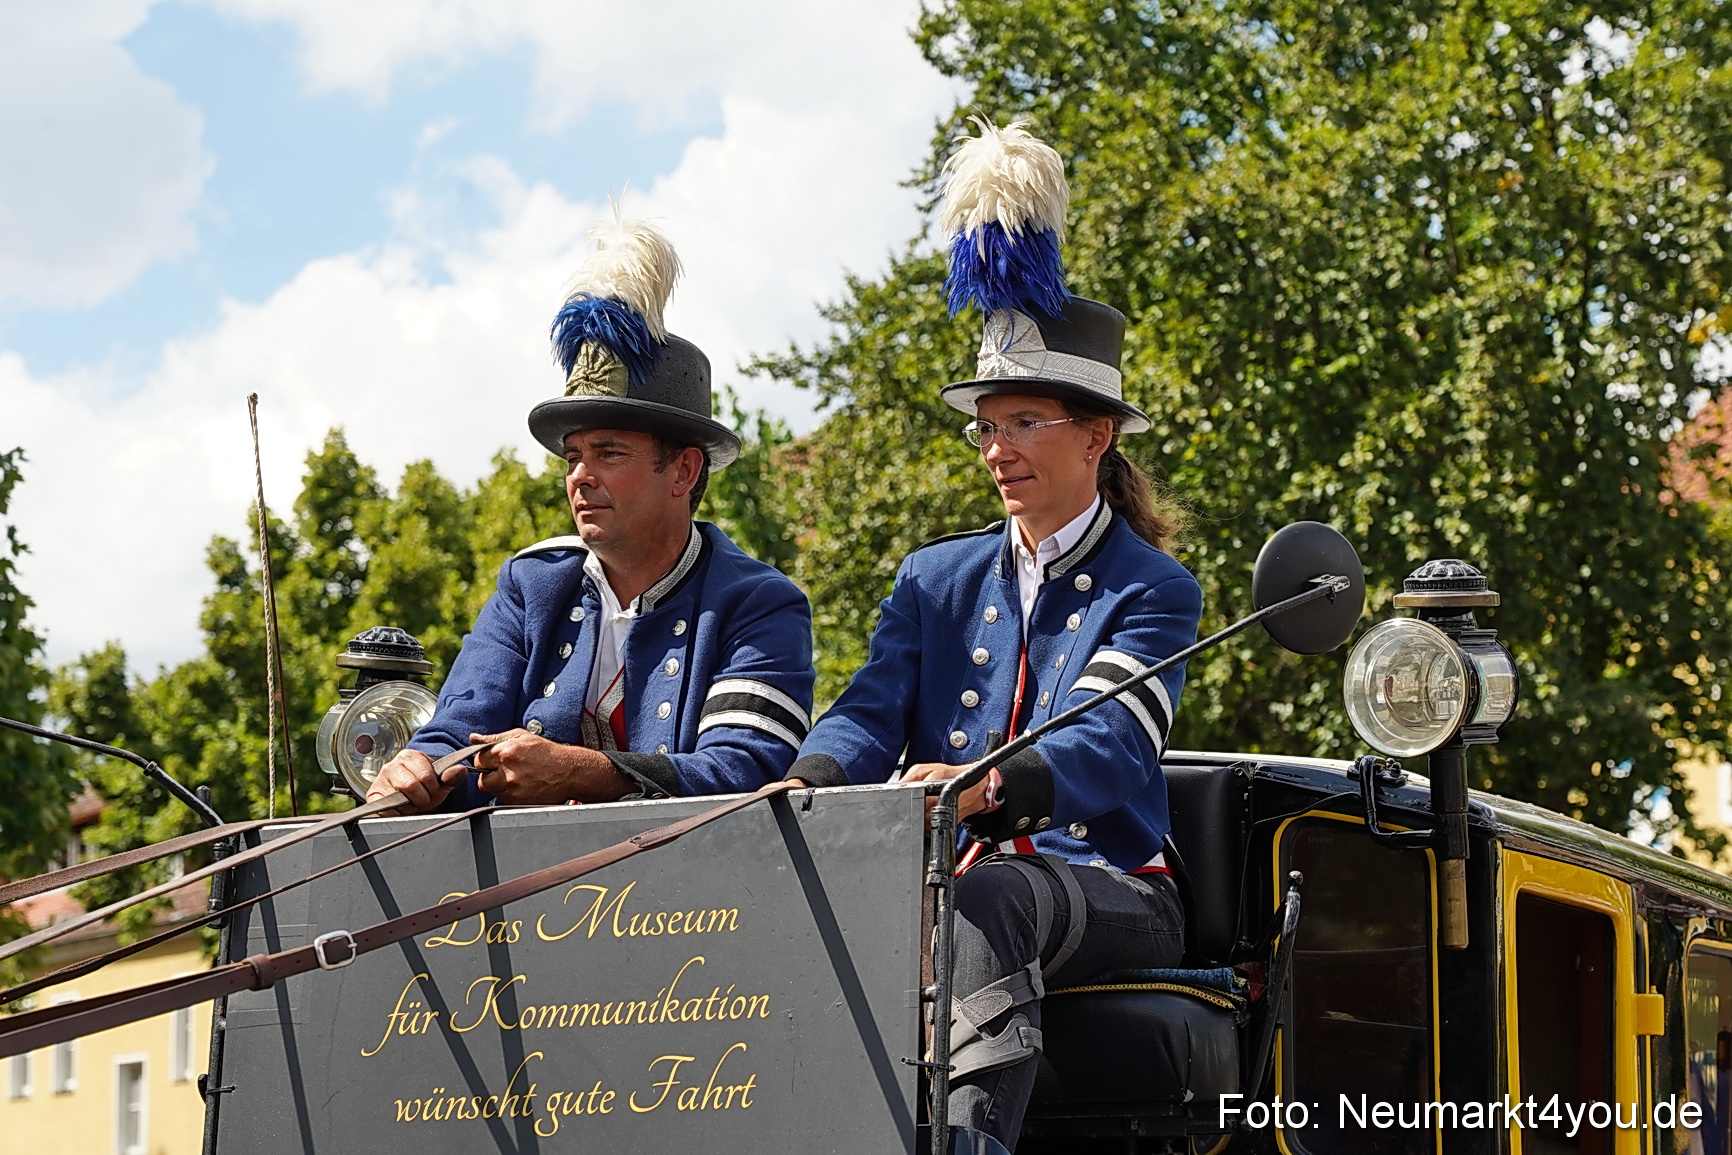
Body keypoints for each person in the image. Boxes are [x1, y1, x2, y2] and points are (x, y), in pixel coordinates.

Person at [785, 121, 1202, 1153]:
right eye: (987, 426)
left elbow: (1108, 741)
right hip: (938, 869)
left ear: (1096, 436)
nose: (996, 449)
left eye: (1023, 423)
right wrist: (805, 781)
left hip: (1112, 884)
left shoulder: (1155, 589)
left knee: (992, 896)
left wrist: (983, 787)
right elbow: (866, 714)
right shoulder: (933, 579)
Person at [369, 216, 814, 813]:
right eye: (573, 456)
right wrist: (416, 772)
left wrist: (580, 773)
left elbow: (744, 770)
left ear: (683, 471)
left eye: (609, 453)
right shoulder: (532, 585)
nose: (580, 475)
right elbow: (457, 733)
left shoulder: (759, 604)